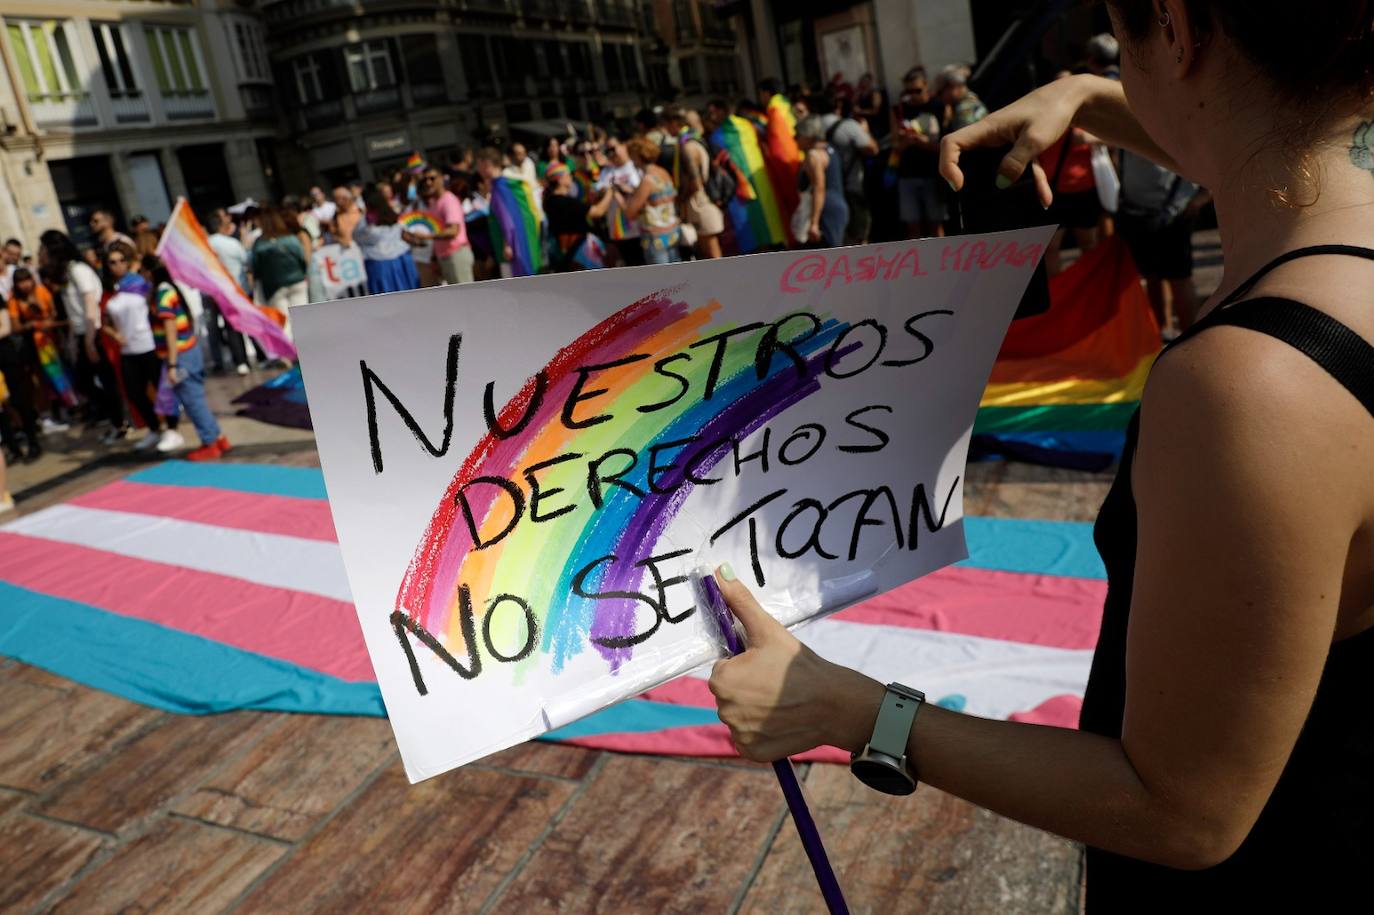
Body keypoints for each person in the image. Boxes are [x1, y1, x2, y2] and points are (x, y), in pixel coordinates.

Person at [711, 1, 1374, 906]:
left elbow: (1183, 812)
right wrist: (1093, 93)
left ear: (1174, 29)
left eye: (1117, 31)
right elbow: (1265, 155)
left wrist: (856, 708)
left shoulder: (1252, 386)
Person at [139, 254, 229, 461]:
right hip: (187, 351)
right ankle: (218, 437)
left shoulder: (162, 294)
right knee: (196, 398)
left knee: (192, 400)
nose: (141, 275)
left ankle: (210, 442)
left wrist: (171, 364)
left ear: (149, 272)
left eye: (142, 271)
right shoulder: (169, 289)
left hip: (180, 355)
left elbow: (170, 329)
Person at [39, 230, 125, 436]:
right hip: (81, 333)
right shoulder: (68, 273)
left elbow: (90, 305)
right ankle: (114, 417)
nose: (40, 253)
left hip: (93, 331)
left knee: (104, 379)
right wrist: (73, 340)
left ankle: (119, 422)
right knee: (83, 381)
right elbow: (73, 310)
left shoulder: (78, 270)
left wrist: (88, 340)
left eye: (43, 249)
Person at [1117, 150, 1209, 333]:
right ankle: (1162, 331)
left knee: (1179, 277)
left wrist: (1202, 196)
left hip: (1173, 211)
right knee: (1152, 274)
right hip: (1138, 211)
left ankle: (1190, 335)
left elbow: (1203, 154)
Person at [102, 244, 178, 452]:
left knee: (161, 388)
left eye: (121, 260)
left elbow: (159, 310)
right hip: (128, 349)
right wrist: (115, 335)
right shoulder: (111, 291)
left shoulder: (143, 285)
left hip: (149, 344)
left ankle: (172, 428)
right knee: (134, 392)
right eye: (112, 262)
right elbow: (105, 322)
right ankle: (154, 427)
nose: (117, 266)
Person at [662, 107, 725, 259]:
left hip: (700, 204)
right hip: (701, 203)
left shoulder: (688, 146)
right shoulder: (694, 140)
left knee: (711, 254)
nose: (665, 129)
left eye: (666, 124)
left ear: (674, 123)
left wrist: (680, 199)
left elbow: (695, 183)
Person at [892, 67, 946, 238]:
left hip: (933, 173)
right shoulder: (899, 110)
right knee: (912, 227)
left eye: (917, 90)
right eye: (909, 91)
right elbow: (895, 146)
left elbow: (945, 143)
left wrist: (924, 143)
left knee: (936, 224)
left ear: (926, 86)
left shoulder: (938, 106)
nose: (913, 95)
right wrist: (907, 142)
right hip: (908, 175)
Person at [819, 95, 880, 244]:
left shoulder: (813, 125)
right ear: (838, 107)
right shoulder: (848, 126)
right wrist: (865, 131)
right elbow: (872, 149)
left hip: (825, 192)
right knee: (859, 235)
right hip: (852, 186)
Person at [616, 137, 683, 265]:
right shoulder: (663, 172)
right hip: (672, 233)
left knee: (663, 281)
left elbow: (629, 213)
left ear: (637, 156)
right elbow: (659, 197)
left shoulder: (647, 180)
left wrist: (618, 197)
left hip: (656, 238)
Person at [205, 208, 251, 375]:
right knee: (242, 324)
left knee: (226, 327)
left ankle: (238, 361)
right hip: (236, 290)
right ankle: (250, 358)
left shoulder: (204, 246)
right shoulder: (231, 243)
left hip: (216, 293)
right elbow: (246, 261)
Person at [249, 207, 308, 336]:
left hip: (274, 286)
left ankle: (288, 353)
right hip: (297, 281)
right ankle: (306, 352)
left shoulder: (259, 243)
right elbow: (301, 257)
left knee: (284, 323)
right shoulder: (290, 237)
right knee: (301, 319)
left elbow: (255, 266)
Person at [350, 186, 420, 293]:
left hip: (381, 265)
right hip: (403, 260)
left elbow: (356, 237)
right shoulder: (393, 214)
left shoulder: (366, 222)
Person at [794, 115, 849, 247]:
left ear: (808, 136)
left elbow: (819, 188)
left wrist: (814, 223)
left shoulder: (814, 156)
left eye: (798, 135)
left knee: (829, 261)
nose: (794, 139)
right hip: (838, 207)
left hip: (826, 210)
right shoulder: (829, 149)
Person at [414, 165, 474, 285]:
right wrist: (434, 257)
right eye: (425, 179)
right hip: (447, 257)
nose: (428, 182)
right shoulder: (437, 202)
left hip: (456, 255)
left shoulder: (448, 200)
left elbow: (453, 231)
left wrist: (426, 236)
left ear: (441, 179)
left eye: (432, 178)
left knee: (466, 298)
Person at [592, 136, 644, 267]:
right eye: (607, 150)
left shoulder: (635, 167)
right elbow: (596, 192)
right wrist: (606, 190)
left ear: (623, 146)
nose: (611, 153)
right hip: (618, 230)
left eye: (613, 148)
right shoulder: (607, 171)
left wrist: (623, 188)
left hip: (638, 227)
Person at [934, 65, 988, 132]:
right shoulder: (971, 100)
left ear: (951, 86)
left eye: (940, 92)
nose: (939, 97)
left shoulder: (964, 109)